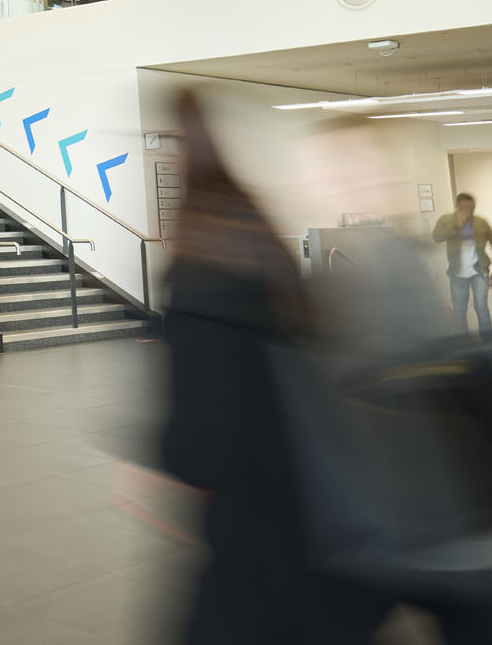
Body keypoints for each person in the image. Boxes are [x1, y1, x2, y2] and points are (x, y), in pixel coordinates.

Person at [161, 94, 369, 644]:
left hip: (247, 526)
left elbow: (198, 444)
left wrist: (161, 453)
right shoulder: (266, 247)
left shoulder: (193, 278)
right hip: (315, 508)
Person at [433, 194, 492, 341]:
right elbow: (436, 237)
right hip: (456, 273)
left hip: (479, 272)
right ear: (457, 207)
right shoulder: (446, 220)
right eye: (465, 207)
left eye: (471, 207)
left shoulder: (481, 223)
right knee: (459, 311)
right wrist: (457, 225)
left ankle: (490, 343)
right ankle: (463, 345)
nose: (469, 210)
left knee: (481, 307)